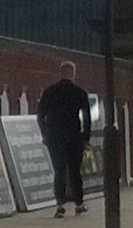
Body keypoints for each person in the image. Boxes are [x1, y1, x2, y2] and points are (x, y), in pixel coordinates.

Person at [36, 60, 92, 217]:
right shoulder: (80, 93)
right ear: (73, 74)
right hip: (74, 137)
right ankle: (79, 203)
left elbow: (40, 116)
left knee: (59, 171)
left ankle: (60, 205)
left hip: (55, 137)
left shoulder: (49, 92)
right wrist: (86, 138)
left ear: (60, 73)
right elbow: (86, 118)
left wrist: (45, 135)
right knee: (75, 171)